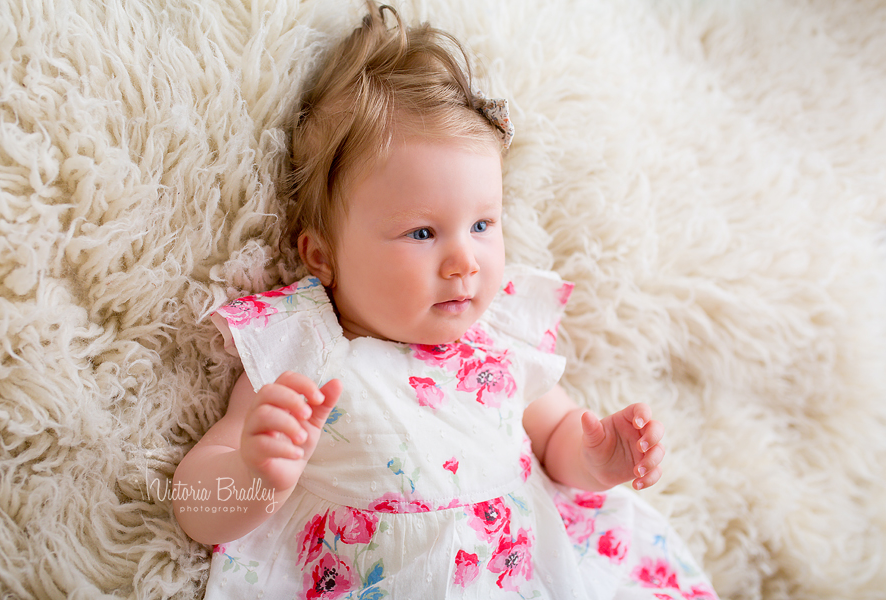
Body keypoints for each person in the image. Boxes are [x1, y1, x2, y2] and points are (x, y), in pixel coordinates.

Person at [173, 3, 719, 598]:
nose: (465, 261)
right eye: (422, 233)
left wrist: (598, 460)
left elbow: (557, 434)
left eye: (483, 225)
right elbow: (194, 506)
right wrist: (256, 474)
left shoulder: (497, 342)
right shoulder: (305, 356)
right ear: (322, 256)